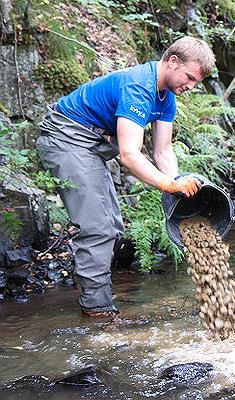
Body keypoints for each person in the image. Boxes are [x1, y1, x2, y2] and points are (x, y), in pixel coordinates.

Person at [35, 36, 215, 317]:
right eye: (189, 77)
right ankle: (98, 312)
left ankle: (98, 291)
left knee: (113, 225)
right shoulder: (138, 86)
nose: (191, 86)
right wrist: (168, 184)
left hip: (91, 144)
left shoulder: (166, 97)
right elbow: (130, 155)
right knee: (98, 228)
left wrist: (179, 190)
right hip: (66, 138)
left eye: (196, 82)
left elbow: (163, 151)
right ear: (172, 61)